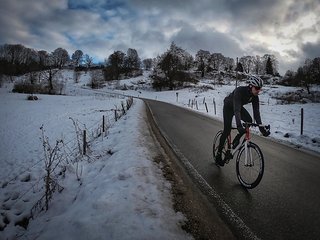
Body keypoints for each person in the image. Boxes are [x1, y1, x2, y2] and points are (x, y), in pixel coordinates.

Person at [215, 75, 270, 167]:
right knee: (227, 130)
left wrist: (262, 129)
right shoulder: (239, 91)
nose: (258, 90)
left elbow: (256, 114)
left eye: (260, 89)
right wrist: (239, 125)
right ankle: (218, 154)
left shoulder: (255, 97)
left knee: (249, 120)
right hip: (229, 107)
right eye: (257, 88)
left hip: (238, 107)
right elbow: (237, 110)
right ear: (251, 86)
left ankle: (237, 138)